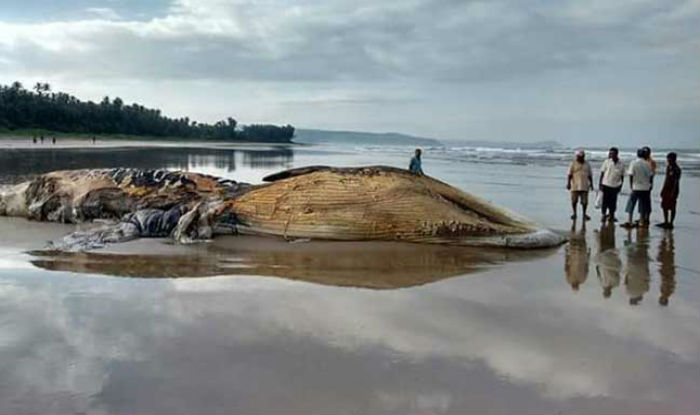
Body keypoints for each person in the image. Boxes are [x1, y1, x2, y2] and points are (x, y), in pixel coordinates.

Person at [622, 148, 653, 228]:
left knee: (631, 204)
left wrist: (631, 185)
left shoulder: (633, 163)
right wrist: (650, 184)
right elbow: (650, 176)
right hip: (645, 187)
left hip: (636, 186)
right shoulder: (647, 164)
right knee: (643, 205)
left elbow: (631, 175)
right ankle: (641, 221)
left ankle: (630, 220)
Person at [598, 147, 624, 223]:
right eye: (610, 153)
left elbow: (622, 176)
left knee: (613, 202)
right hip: (606, 184)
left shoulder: (621, 164)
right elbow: (602, 173)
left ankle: (612, 215)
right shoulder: (607, 162)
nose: (611, 155)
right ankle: (603, 215)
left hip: (615, 186)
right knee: (605, 202)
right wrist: (600, 184)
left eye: (612, 153)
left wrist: (621, 186)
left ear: (616, 154)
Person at [566, 149, 593, 220]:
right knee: (574, 201)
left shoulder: (587, 164)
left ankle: (584, 214)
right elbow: (569, 174)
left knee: (585, 202)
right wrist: (568, 183)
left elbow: (590, 175)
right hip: (575, 185)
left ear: (584, 156)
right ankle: (574, 213)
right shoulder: (573, 163)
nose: (579, 158)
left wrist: (591, 184)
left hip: (584, 185)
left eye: (581, 156)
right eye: (578, 156)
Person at [658, 152, 681, 229]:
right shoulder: (668, 167)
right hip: (666, 189)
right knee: (664, 206)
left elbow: (676, 182)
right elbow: (666, 179)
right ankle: (666, 221)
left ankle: (671, 223)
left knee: (672, 206)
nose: (668, 160)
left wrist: (673, 192)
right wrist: (663, 189)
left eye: (669, 159)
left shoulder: (677, 169)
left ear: (674, 159)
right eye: (667, 159)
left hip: (673, 190)